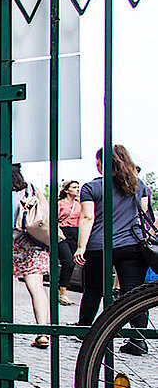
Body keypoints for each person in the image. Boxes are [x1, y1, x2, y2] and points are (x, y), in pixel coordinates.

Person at [74, 145, 151, 353]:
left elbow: (87, 217)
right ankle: (138, 339)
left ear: (101, 164)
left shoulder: (91, 188)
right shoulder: (139, 186)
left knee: (93, 289)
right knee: (134, 291)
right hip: (131, 245)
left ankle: (85, 329)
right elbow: (144, 215)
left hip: (100, 245)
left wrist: (81, 246)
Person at [0, 164, 51, 348]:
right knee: (36, 286)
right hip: (32, 242)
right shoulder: (31, 188)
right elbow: (47, 212)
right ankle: (43, 331)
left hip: (7, 242)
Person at [56, 180, 82, 306]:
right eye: (74, 187)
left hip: (75, 233)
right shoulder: (60, 204)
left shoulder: (80, 204)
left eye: (78, 187)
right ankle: (62, 292)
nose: (77, 189)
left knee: (72, 263)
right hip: (62, 234)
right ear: (67, 190)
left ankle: (60, 290)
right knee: (68, 262)